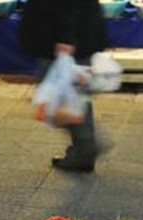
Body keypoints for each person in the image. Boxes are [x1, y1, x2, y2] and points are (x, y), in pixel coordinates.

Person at [20, 0, 108, 173]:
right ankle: (84, 147)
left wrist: (65, 38)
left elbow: (68, 5)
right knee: (73, 96)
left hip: (62, 38)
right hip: (74, 33)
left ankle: (87, 145)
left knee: (57, 100)